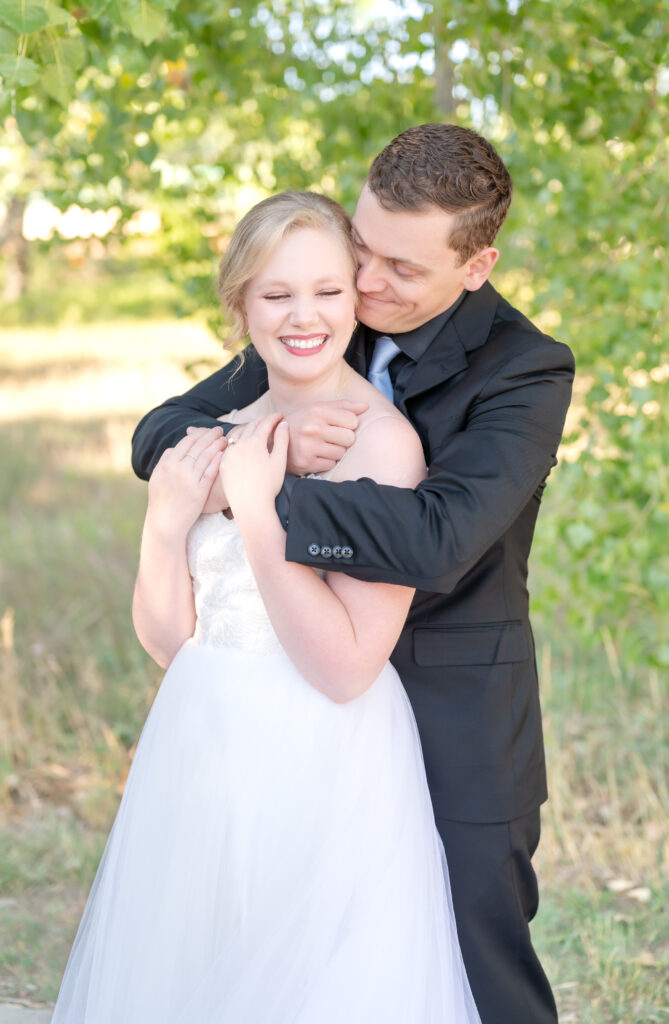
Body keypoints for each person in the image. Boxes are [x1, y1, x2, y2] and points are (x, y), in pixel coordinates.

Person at [132, 123, 576, 1023]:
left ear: (476, 265)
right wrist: (270, 445)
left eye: (402, 271)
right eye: (362, 250)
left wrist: (263, 487)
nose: (368, 286)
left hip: (453, 721)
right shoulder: (314, 321)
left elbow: (438, 536)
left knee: (472, 971)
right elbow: (157, 438)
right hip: (286, 722)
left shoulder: (524, 371)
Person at [52, 191, 481, 1023]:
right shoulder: (218, 429)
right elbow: (177, 642)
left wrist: (256, 509)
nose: (303, 316)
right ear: (240, 302)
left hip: (324, 752)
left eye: (326, 290)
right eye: (276, 294)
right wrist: (167, 519)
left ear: (356, 298)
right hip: (202, 740)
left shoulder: (383, 443)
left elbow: (349, 667)